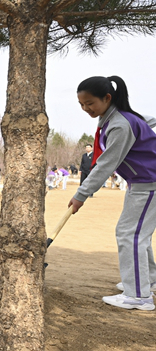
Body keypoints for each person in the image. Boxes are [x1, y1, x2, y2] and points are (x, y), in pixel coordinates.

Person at [70, 76, 156, 311]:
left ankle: (138, 295)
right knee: (135, 233)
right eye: (81, 104)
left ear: (107, 98)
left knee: (131, 235)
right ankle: (147, 281)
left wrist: (81, 195)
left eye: (90, 103)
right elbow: (151, 121)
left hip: (149, 184)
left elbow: (106, 164)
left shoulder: (119, 123)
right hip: (140, 184)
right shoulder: (117, 118)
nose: (86, 109)